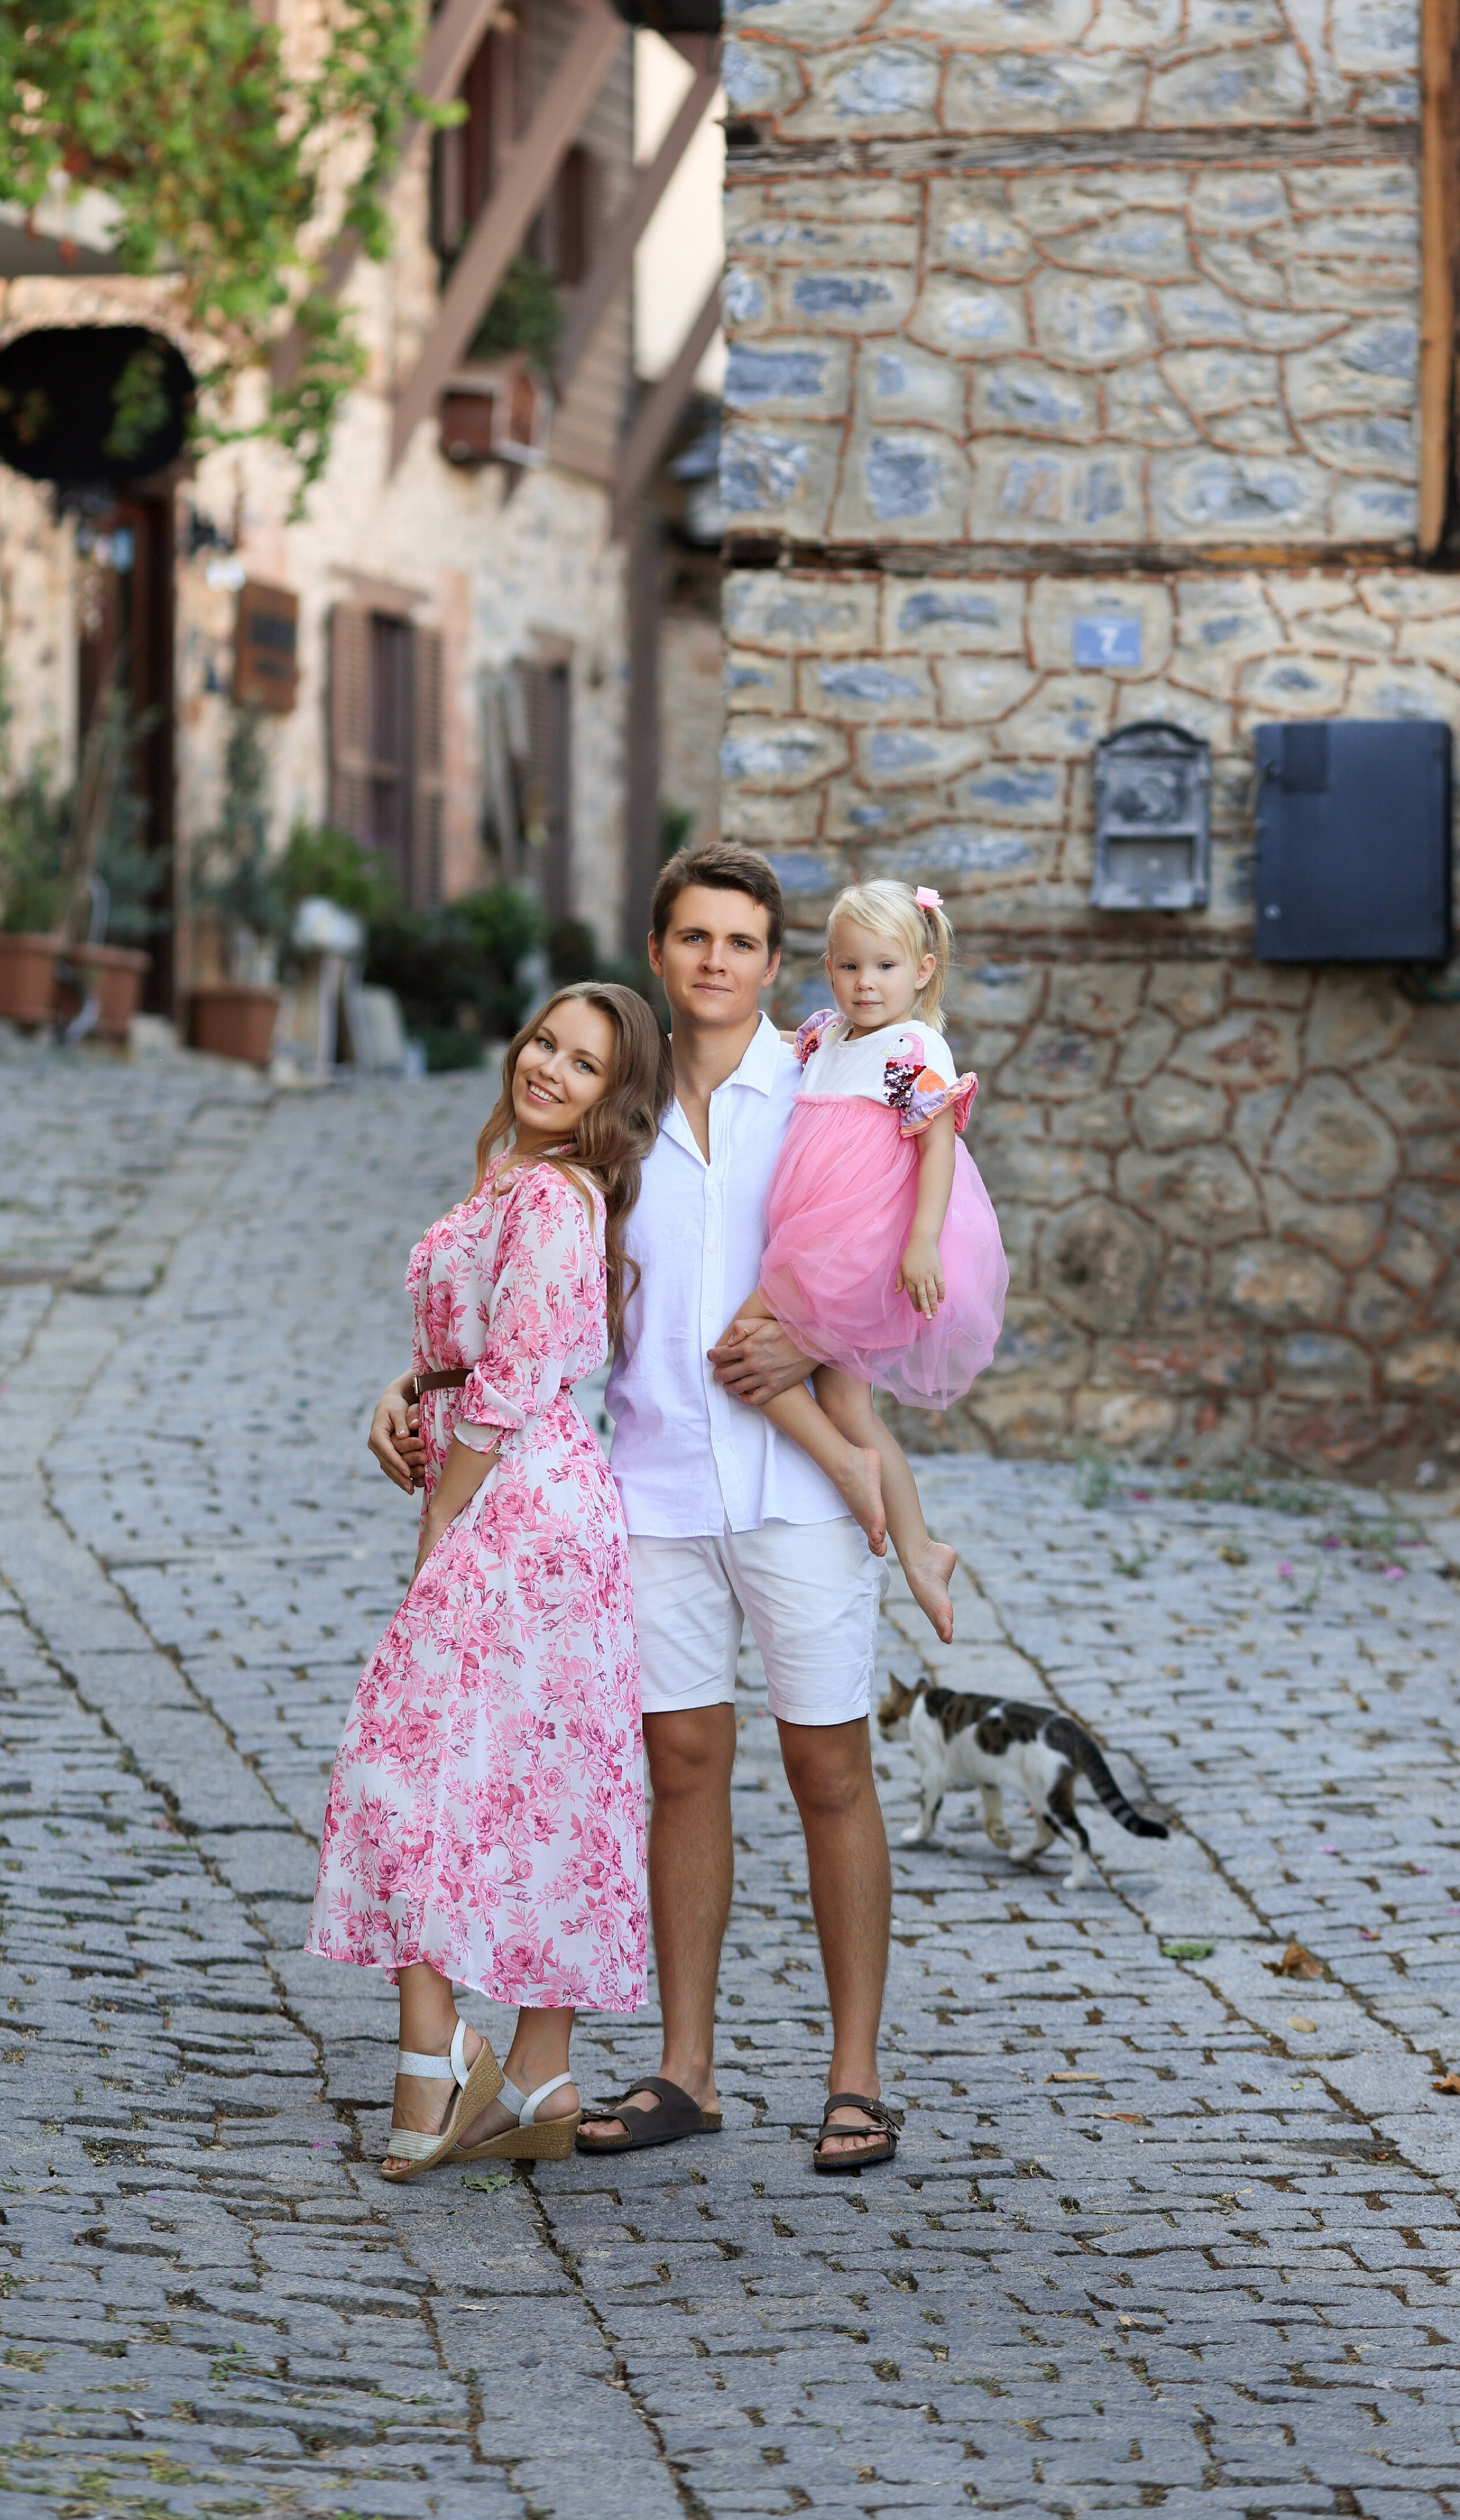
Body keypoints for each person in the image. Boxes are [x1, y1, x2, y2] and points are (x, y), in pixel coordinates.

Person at [310, 982, 670, 2180]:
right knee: (529, 1787)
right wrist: (405, 1393)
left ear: (612, 1101)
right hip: (522, 1500)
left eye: (584, 1066)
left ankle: (437, 2051)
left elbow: (514, 1381)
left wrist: (441, 1526)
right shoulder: (510, 1178)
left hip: (523, 1511)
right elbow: (466, 1354)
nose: (551, 1071)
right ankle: (540, 2078)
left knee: (397, 1759)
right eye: (546, 1044)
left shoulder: (559, 1199)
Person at [579, 843, 903, 2173]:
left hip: (795, 1488)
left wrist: (807, 1343)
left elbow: (886, 1265)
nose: (716, 961)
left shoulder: (824, 1091)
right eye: (693, 938)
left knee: (829, 1765)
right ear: (658, 954)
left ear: (775, 965)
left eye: (742, 942)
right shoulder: (612, 1104)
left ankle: (857, 2077)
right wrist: (421, 1377)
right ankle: (686, 2069)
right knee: (681, 1766)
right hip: (649, 1483)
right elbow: (524, 1249)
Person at [715, 879, 1007, 1644]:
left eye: (882, 967)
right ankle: (919, 1549)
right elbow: (766, 1045)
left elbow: (937, 1148)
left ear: (922, 970)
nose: (863, 984)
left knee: (734, 1352)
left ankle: (848, 1473)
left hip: (856, 1248)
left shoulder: (913, 1048)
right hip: (815, 1237)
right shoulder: (824, 1036)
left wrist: (920, 1241)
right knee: (847, 1405)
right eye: (847, 967)